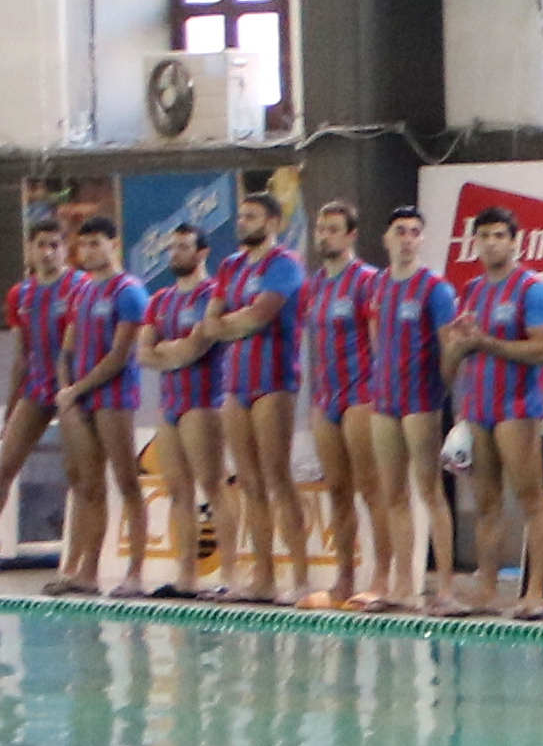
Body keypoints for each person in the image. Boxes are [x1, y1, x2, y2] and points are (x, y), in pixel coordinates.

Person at [445, 203, 543, 619]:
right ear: (474, 244)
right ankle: (488, 588)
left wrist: (485, 342)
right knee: (486, 503)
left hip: (517, 408)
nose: (491, 243)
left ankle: (535, 593)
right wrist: (458, 346)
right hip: (478, 408)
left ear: (515, 242)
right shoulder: (473, 292)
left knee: (531, 499)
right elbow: (458, 357)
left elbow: (542, 350)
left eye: (499, 236)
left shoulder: (533, 289)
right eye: (484, 236)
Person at [204, 187, 302, 601]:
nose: (242, 223)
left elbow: (260, 315)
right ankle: (262, 577)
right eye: (241, 216)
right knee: (248, 482)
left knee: (277, 478)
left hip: (274, 380)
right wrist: (233, 323)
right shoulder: (229, 266)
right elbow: (211, 323)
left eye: (252, 217)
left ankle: (298, 578)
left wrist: (231, 322)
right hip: (235, 382)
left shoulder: (286, 264)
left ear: (274, 223)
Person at [362, 210, 458, 610]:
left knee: (431, 492)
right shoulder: (379, 286)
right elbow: (375, 340)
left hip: (421, 400)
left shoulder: (434, 289)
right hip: (385, 400)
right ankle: (402, 584)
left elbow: (449, 348)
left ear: (422, 240)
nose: (407, 239)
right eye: (400, 231)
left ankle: (446, 587)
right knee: (394, 494)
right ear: (386, 238)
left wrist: (441, 394)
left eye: (415, 233)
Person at [0, 221, 71, 585]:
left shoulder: (77, 288)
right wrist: (11, 405)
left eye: (54, 245)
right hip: (36, 389)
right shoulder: (21, 295)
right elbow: (20, 355)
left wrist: (73, 389)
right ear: (29, 250)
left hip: (73, 389)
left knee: (78, 477)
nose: (47, 252)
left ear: (64, 248)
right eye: (41, 245)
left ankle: (73, 563)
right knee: (4, 468)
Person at [51, 216, 149, 595]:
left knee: (126, 481)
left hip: (114, 397)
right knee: (88, 486)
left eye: (96, 243)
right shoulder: (83, 292)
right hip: (81, 397)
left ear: (114, 244)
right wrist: (66, 391)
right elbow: (67, 349)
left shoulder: (129, 292)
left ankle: (136, 572)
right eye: (84, 244)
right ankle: (87, 572)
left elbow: (120, 354)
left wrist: (76, 389)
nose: (89, 251)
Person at [292, 201, 377, 607]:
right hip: (325, 397)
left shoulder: (366, 282)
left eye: (333, 229)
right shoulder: (313, 286)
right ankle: (344, 578)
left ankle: (381, 577)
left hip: (361, 395)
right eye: (320, 228)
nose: (324, 235)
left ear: (351, 235)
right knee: (338, 493)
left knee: (372, 491)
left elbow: (379, 345)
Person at [138, 226, 225, 600]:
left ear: (202, 253)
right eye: (171, 247)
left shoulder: (214, 295)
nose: (174, 253)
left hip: (204, 399)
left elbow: (199, 346)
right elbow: (143, 354)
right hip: (170, 402)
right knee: (178, 492)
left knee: (213, 487)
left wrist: (167, 353)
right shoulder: (159, 300)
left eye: (183, 247)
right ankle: (186, 575)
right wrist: (173, 352)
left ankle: (231, 574)